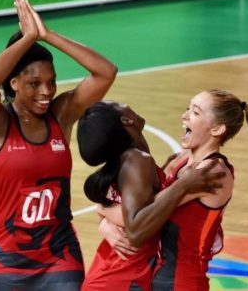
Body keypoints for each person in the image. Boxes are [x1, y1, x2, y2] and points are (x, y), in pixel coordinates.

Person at [0, 0, 117, 290]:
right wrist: (27, 39)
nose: (46, 91)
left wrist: (47, 35)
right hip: (7, 260)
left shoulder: (61, 116)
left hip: (58, 257)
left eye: (51, 81)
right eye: (34, 83)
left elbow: (106, 72)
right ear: (14, 83)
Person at [97, 89, 248, 290]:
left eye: (195, 112)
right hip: (152, 276)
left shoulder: (212, 172)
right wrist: (105, 224)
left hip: (181, 281)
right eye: (188, 108)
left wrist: (101, 210)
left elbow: (142, 214)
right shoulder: (180, 159)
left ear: (217, 129)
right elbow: (134, 205)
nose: (185, 115)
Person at [76, 101, 226, 290]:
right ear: (127, 120)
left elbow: (133, 207)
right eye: (118, 104)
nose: (127, 103)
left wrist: (103, 216)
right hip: (121, 277)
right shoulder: (138, 161)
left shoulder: (132, 160)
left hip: (114, 272)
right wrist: (184, 185)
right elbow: (136, 230)